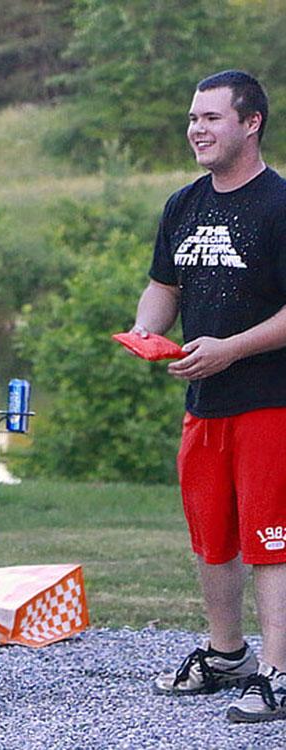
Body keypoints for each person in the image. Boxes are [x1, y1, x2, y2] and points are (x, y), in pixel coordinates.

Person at [131, 70, 286, 722]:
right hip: (204, 404)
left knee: (270, 541)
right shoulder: (184, 204)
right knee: (212, 538)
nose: (197, 128)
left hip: (270, 402)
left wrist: (231, 347)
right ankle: (227, 655)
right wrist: (147, 328)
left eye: (212, 117)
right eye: (194, 117)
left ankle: (278, 672)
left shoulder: (279, 205)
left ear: (250, 123)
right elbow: (164, 286)